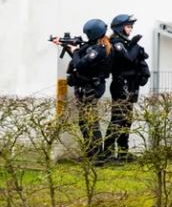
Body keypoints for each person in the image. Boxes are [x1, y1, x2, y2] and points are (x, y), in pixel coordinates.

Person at [54, 20, 114, 164]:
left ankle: (97, 155)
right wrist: (65, 44)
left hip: (92, 87)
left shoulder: (100, 49)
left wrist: (74, 51)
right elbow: (80, 59)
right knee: (84, 122)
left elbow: (80, 64)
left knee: (91, 122)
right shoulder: (94, 47)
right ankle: (90, 153)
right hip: (87, 87)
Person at [105, 14, 150, 162]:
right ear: (120, 28)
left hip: (130, 84)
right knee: (118, 119)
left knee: (127, 120)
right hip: (120, 84)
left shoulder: (126, 43)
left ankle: (123, 152)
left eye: (131, 27)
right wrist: (136, 46)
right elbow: (128, 59)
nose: (130, 29)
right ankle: (108, 153)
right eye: (128, 26)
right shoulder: (116, 43)